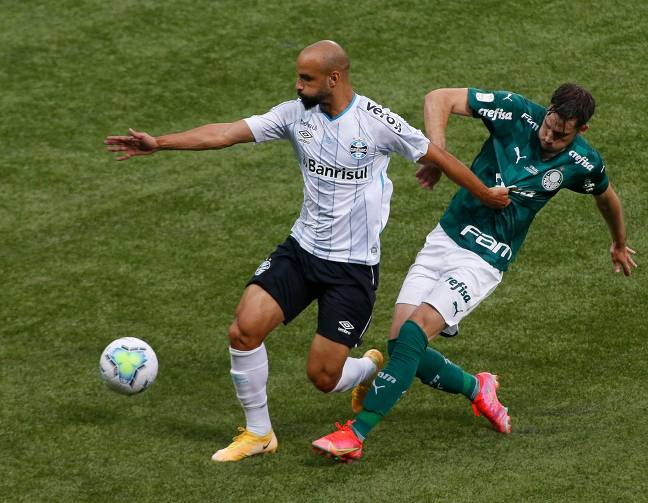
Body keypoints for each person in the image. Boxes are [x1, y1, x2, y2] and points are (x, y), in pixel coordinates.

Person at [104, 41, 509, 462]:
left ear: (334, 78)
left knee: (322, 376)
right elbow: (226, 133)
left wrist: (485, 194)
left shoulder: (375, 122)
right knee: (244, 329)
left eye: (306, 78)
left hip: (351, 270)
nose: (297, 85)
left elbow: (437, 155)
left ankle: (370, 368)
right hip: (300, 251)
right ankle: (259, 433)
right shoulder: (295, 115)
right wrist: (160, 143)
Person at [312, 83, 637, 462]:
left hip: (484, 260)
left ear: (581, 131)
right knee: (401, 346)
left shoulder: (583, 162)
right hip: (445, 237)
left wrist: (618, 242)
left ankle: (356, 434)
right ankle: (477, 387)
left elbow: (606, 197)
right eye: (549, 125)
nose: (549, 137)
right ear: (547, 110)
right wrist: (437, 153)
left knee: (416, 331)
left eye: (561, 135)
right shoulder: (515, 112)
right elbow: (438, 98)